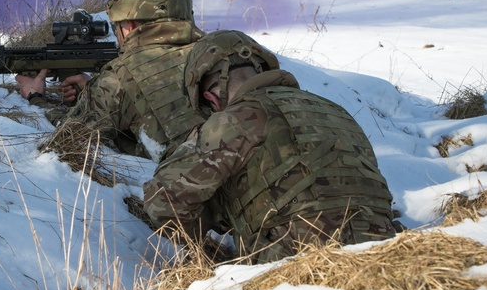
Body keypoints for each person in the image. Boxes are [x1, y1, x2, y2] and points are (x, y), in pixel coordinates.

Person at [143, 30, 397, 263]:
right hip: (382, 256)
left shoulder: (236, 118)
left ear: (210, 99)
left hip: (297, 266)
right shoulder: (336, 111)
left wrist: (207, 233)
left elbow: (162, 203)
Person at [16, 0, 205, 161]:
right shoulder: (218, 50)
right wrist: (93, 89)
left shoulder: (119, 78)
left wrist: (35, 96)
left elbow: (70, 133)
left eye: (117, 24)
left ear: (128, 24)